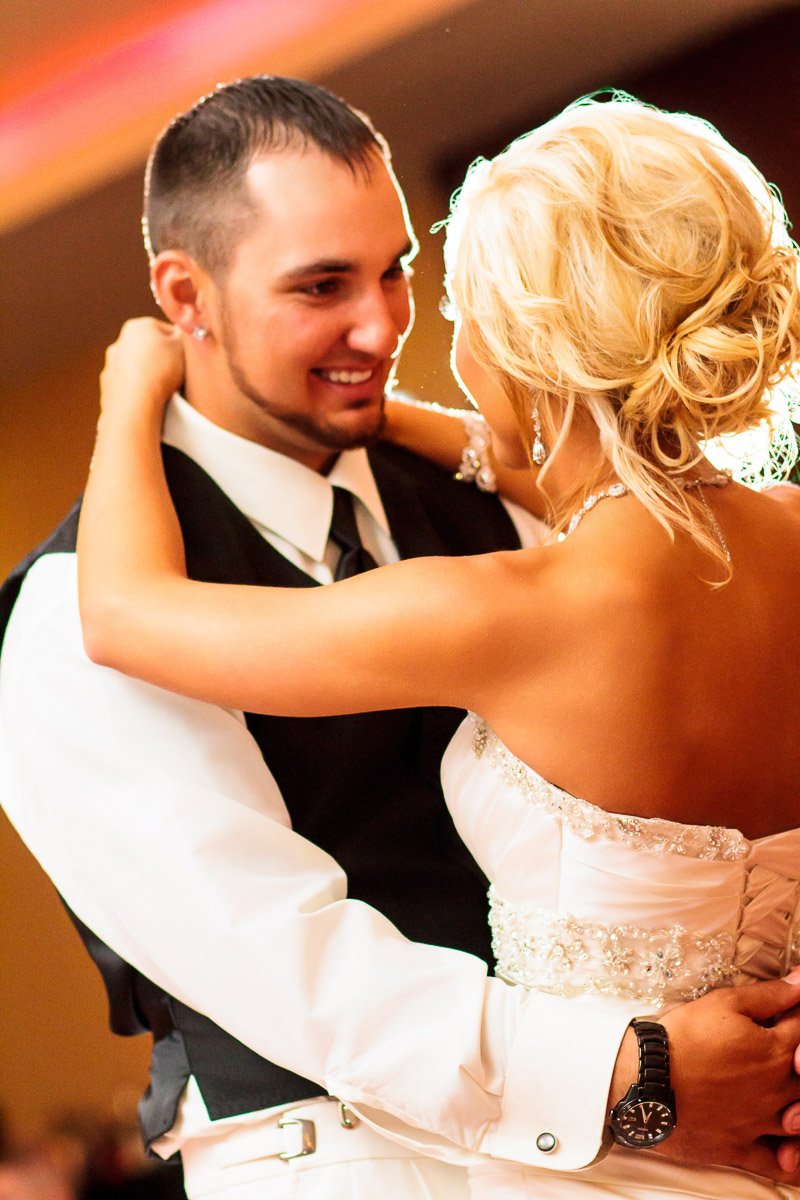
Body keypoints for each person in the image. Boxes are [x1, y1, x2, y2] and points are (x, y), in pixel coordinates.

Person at [2, 77, 800, 1200]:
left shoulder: (528, 544)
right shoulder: (64, 612)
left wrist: (126, 393)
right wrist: (634, 1078)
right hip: (338, 1164)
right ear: (186, 296)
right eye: (322, 286)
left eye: (400, 274)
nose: (381, 329)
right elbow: (278, 961)